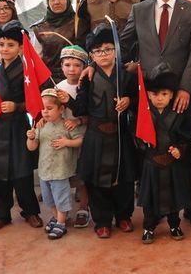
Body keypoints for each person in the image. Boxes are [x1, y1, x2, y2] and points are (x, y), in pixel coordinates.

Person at [119, 0, 191, 228]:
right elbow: (123, 44)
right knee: (151, 151)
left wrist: (185, 88)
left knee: (182, 149)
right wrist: (105, 63)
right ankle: (156, 208)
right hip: (149, 98)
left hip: (182, 95)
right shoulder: (139, 10)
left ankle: (190, 206)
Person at [72, 25, 137, 238]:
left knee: (124, 178)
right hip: (96, 136)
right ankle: (102, 220)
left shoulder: (126, 76)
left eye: (108, 49)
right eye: (98, 51)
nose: (104, 54)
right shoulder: (87, 78)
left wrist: (129, 101)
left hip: (120, 134)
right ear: (92, 56)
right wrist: (69, 100)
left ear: (116, 51)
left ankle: (124, 216)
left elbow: (139, 101)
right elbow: (80, 109)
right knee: (96, 180)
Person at [0, 20, 43, 232]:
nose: (5, 49)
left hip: (17, 126)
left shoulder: (26, 71)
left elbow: (36, 100)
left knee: (22, 172)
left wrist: (17, 106)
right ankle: (1, 214)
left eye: (11, 45)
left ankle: (30, 211)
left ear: (21, 47)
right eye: (2, 44)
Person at [136, 67, 191, 244]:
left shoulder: (178, 115)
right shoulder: (145, 115)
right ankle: (148, 227)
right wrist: (142, 142)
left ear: (171, 95)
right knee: (150, 199)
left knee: (173, 198)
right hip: (152, 163)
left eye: (164, 94)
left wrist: (179, 149)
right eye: (155, 94)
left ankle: (174, 225)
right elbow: (136, 136)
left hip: (172, 164)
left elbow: (185, 137)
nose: (159, 98)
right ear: (148, 95)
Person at [27, 90, 84, 239]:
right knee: (49, 199)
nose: (45, 112)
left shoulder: (67, 125)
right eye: (43, 109)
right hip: (44, 171)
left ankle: (61, 223)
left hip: (60, 171)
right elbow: (32, 147)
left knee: (61, 198)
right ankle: (57, 217)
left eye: (49, 108)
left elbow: (80, 140)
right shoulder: (40, 126)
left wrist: (67, 142)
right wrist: (31, 138)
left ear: (61, 109)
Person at [52, 44, 91, 228]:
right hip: (63, 138)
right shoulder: (58, 87)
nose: (72, 69)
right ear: (61, 66)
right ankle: (63, 211)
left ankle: (83, 207)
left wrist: (78, 121)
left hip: (82, 136)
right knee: (64, 176)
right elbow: (52, 110)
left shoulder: (87, 86)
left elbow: (93, 113)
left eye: (77, 65)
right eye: (67, 65)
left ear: (84, 67)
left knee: (81, 177)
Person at [31, 0, 87, 82]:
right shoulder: (39, 28)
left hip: (78, 80)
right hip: (51, 81)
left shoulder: (81, 22)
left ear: (68, 0)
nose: (56, 2)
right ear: (48, 2)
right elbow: (36, 60)